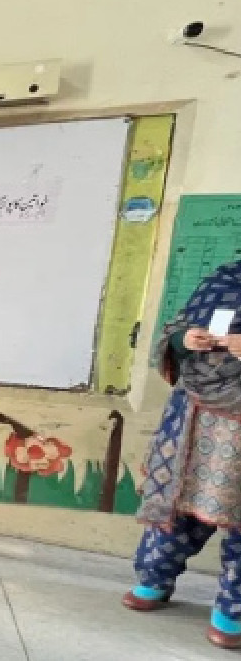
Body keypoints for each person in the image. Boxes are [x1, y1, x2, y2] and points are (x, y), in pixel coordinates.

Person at [126, 260, 241, 649]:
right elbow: (173, 331)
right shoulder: (224, 277)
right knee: (177, 502)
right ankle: (154, 578)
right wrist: (185, 340)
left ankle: (233, 610)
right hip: (192, 415)